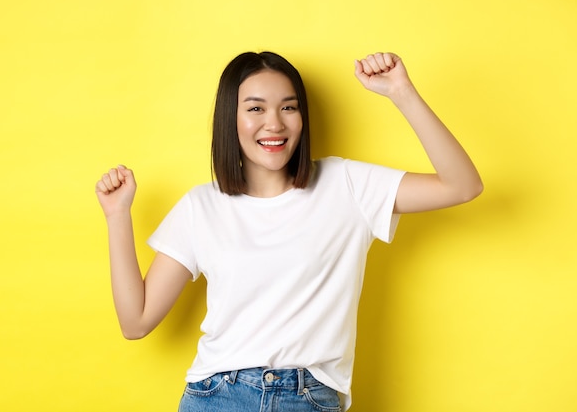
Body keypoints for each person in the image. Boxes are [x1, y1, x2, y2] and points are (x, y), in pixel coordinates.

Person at [95, 51, 483, 412]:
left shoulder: (345, 184)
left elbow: (462, 186)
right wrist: (118, 216)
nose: (274, 124)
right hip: (217, 396)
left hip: (309, 397)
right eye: (255, 109)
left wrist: (402, 92)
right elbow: (137, 321)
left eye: (289, 107)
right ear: (231, 119)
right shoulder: (202, 206)